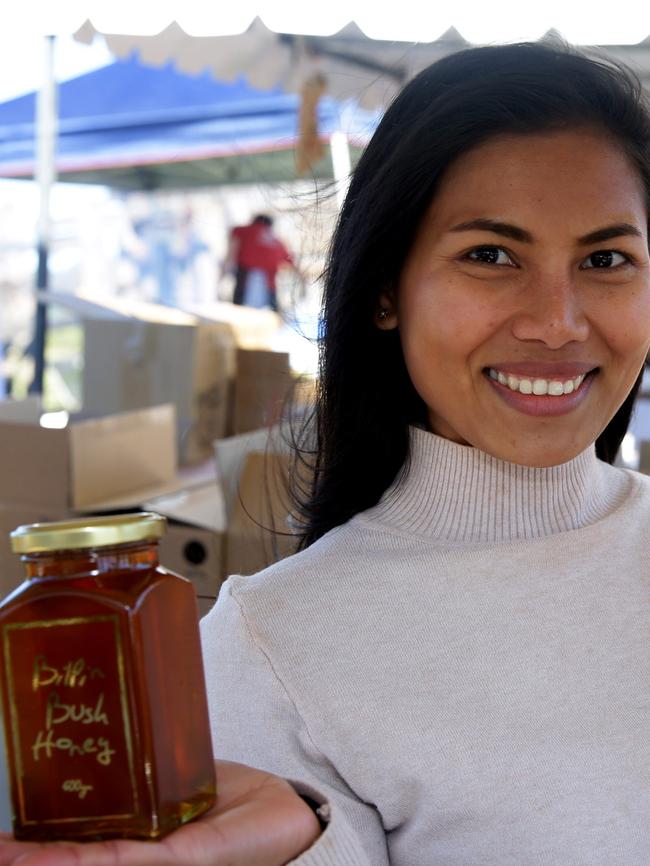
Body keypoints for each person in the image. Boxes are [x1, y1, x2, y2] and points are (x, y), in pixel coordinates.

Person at [3, 38, 650, 866]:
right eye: (490, 255)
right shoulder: (272, 647)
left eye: (606, 259)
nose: (558, 321)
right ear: (385, 288)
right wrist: (311, 844)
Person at [224, 214, 295, 311]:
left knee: (241, 307)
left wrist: (227, 264)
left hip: (246, 274)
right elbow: (289, 261)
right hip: (268, 280)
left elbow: (233, 242)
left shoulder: (245, 230)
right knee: (268, 309)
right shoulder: (276, 240)